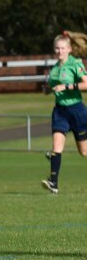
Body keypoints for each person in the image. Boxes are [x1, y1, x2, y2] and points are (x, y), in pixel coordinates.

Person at [42, 33, 87, 194]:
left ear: (69, 49)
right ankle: (53, 183)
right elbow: (52, 86)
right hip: (60, 111)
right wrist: (47, 89)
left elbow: (86, 84)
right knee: (56, 146)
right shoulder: (54, 69)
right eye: (57, 48)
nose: (59, 51)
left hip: (77, 111)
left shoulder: (75, 64)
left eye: (62, 48)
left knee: (84, 152)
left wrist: (67, 87)